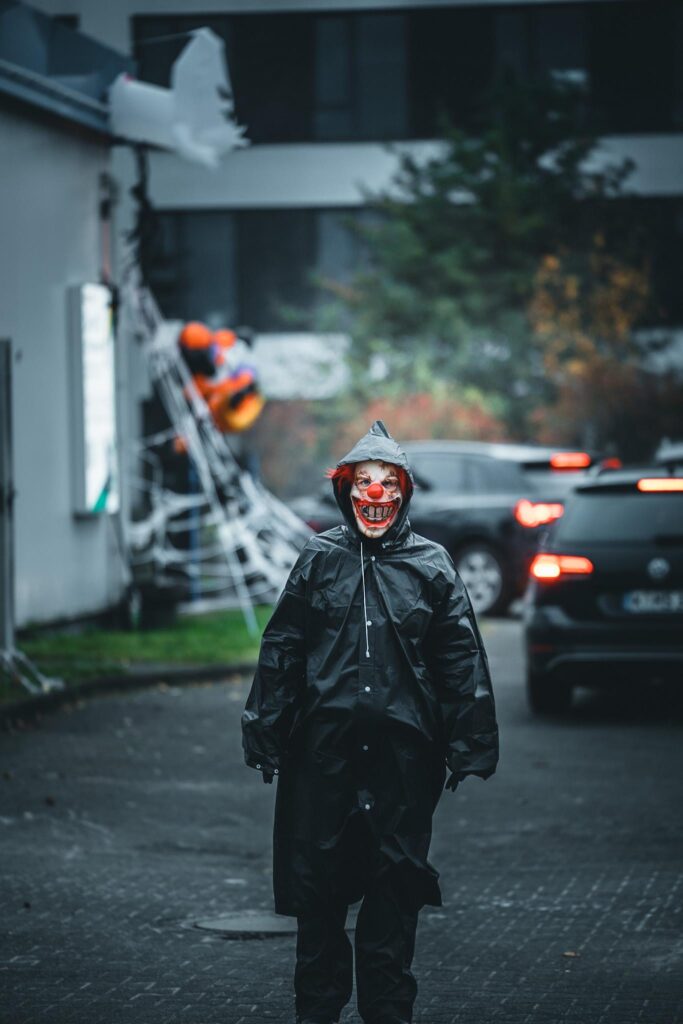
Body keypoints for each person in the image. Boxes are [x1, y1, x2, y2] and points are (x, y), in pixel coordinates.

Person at [242, 420, 499, 1024]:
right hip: (321, 760)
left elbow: (460, 655)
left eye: (388, 482)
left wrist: (471, 742)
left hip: (401, 766)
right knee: (319, 901)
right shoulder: (319, 560)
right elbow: (282, 646)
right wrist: (266, 729)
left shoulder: (431, 565)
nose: (376, 493)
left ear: (404, 491)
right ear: (345, 488)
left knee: (392, 899)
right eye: (365, 481)